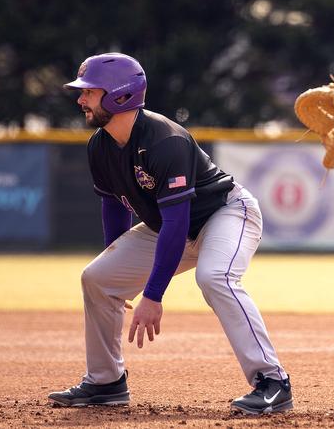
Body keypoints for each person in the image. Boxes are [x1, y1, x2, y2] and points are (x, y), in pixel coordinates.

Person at [47, 52, 292, 415]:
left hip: (225, 215)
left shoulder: (165, 140)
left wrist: (152, 294)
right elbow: (114, 207)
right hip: (170, 227)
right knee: (97, 278)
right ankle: (105, 382)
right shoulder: (99, 146)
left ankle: (272, 382)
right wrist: (120, 273)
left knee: (215, 277)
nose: (80, 99)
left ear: (120, 95)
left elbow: (178, 223)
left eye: (90, 91)